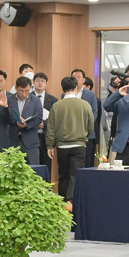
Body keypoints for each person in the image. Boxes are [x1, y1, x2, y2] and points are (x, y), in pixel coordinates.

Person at [46, 74, 93, 202]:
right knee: (75, 174)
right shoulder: (85, 105)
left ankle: (62, 201)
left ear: (63, 88)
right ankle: (71, 201)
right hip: (79, 144)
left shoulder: (56, 106)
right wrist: (83, 135)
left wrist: (50, 145)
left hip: (62, 145)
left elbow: (51, 128)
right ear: (76, 88)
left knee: (63, 175)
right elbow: (90, 126)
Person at [11, 75, 45, 165]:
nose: (24, 94)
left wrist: (27, 125)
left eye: (27, 91)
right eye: (21, 91)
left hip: (30, 141)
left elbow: (38, 118)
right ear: (16, 88)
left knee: (33, 168)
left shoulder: (36, 100)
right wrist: (15, 122)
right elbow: (5, 117)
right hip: (12, 140)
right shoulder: (9, 99)